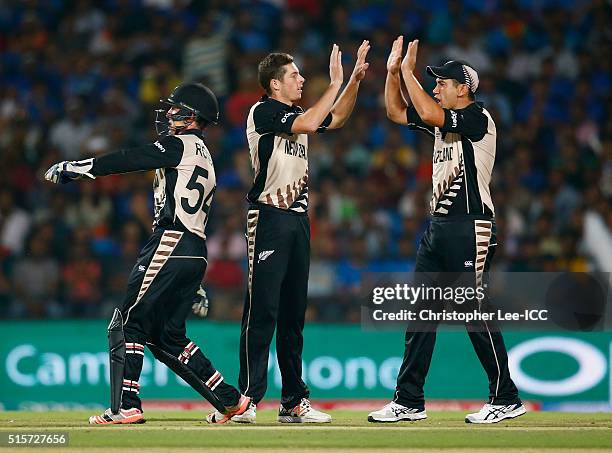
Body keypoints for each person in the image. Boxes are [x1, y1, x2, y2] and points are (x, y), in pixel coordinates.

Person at [44, 82, 250, 425]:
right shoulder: (206, 156)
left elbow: (130, 158)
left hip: (171, 242)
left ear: (192, 116)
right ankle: (230, 400)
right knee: (167, 337)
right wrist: (192, 281)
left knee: (125, 324)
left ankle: (125, 405)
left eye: (176, 109)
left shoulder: (179, 145)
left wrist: (80, 168)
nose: (169, 114)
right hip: (194, 250)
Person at [368, 36, 526, 424]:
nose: (436, 87)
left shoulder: (477, 118)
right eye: (433, 82)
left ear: (463, 89)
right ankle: (408, 401)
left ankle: (505, 396)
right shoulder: (443, 122)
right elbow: (394, 111)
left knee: (473, 310)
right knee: (421, 313)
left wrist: (408, 71)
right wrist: (392, 74)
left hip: (471, 225)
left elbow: (428, 111)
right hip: (440, 226)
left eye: (441, 83)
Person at [229, 42, 370, 424]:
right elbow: (310, 122)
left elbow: (335, 118)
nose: (301, 79)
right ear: (274, 85)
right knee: (262, 311)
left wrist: (353, 81)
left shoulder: (292, 113)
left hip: (297, 220)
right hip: (269, 217)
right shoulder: (264, 111)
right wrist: (335, 81)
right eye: (294, 75)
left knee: (293, 316)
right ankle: (246, 399)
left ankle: (292, 401)